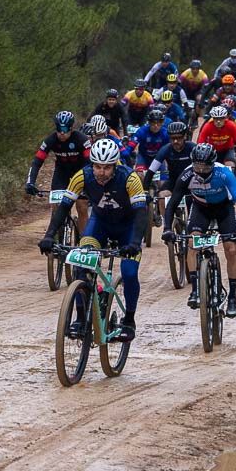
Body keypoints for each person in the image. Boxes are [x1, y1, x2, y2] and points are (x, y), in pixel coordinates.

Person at [38, 138, 145, 342]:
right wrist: (49, 235)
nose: (101, 172)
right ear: (91, 164)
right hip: (100, 224)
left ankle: (129, 320)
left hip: (128, 227)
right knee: (80, 264)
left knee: (129, 272)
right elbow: (63, 208)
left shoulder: (130, 179)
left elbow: (141, 212)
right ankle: (80, 317)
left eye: (106, 167)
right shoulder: (81, 176)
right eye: (97, 166)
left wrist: (134, 242)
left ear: (115, 166)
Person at [161, 143, 236, 318]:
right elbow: (172, 204)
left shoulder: (224, 173)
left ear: (212, 163)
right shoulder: (187, 174)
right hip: (200, 209)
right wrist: (166, 228)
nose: (201, 170)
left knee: (231, 249)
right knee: (191, 243)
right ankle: (195, 289)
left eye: (205, 166)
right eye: (197, 166)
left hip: (224, 209)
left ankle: (232, 296)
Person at [25, 110, 90, 232]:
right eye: (59, 129)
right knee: (57, 206)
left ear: (71, 129)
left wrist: (90, 183)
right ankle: (55, 238)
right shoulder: (51, 140)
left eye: (65, 130)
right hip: (62, 173)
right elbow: (37, 162)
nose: (61, 133)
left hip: (81, 173)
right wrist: (30, 182)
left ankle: (84, 241)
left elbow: (90, 163)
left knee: (82, 206)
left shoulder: (81, 139)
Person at [150, 121, 195, 226]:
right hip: (174, 182)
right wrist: (146, 190)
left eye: (179, 138)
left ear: (185, 136)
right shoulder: (165, 149)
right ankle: (167, 225)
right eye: (172, 138)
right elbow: (151, 170)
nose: (175, 141)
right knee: (161, 196)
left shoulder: (192, 148)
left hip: (192, 184)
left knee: (194, 203)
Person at [196, 105, 236, 172]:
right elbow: (200, 142)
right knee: (208, 169)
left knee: (230, 168)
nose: (218, 121)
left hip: (227, 150)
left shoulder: (231, 125)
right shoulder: (208, 126)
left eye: (221, 119)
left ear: (225, 118)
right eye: (216, 119)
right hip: (212, 150)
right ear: (213, 118)